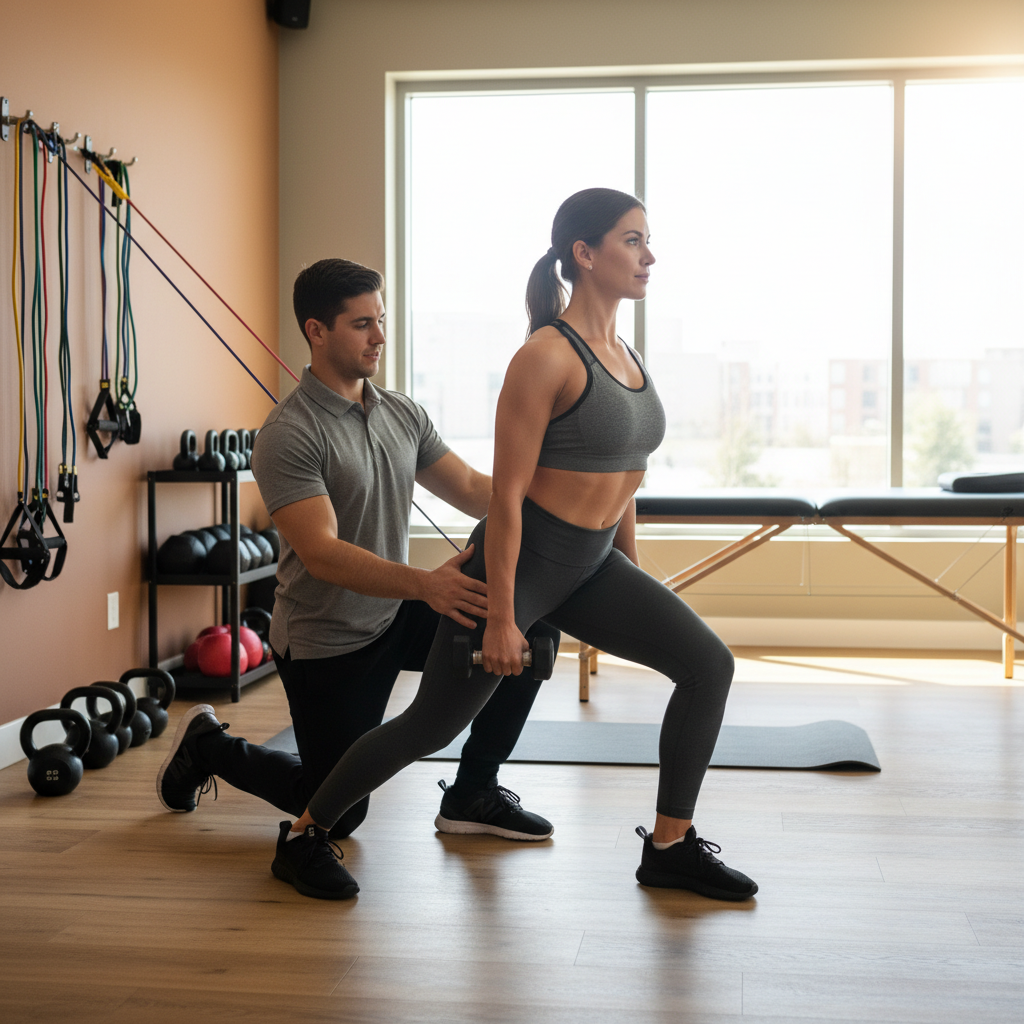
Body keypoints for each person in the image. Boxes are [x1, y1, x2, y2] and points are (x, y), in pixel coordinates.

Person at [271, 189, 758, 904]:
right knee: (429, 725)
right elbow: (503, 498)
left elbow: (626, 482)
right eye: (632, 240)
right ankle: (307, 832)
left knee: (707, 663)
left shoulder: (627, 355)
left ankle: (671, 846)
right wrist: (504, 614)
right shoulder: (544, 357)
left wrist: (635, 580)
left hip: (592, 565)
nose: (648, 255)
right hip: (522, 566)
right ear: (585, 255)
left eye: (648, 240)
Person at [157, 258, 559, 847]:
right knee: (339, 814)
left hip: (396, 611)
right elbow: (321, 553)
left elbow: (476, 492)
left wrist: (562, 497)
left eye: (382, 319)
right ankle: (209, 747)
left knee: (524, 632)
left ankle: (474, 790)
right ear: (317, 331)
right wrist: (426, 584)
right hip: (328, 638)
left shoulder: (401, 413)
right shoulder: (289, 433)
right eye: (362, 324)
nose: (380, 336)